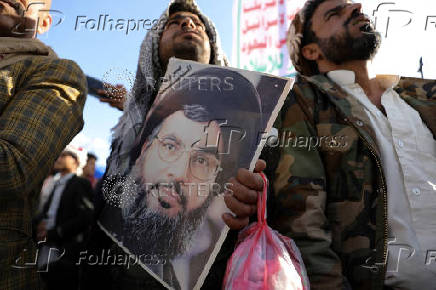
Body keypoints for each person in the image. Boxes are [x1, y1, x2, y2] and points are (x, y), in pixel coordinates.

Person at [82, 1, 266, 289]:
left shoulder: (252, 128)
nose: (189, 25)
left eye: (203, 160)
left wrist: (253, 202)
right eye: (169, 146)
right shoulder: (132, 119)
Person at [266, 0, 436, 289]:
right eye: (335, 13)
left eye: (352, 5)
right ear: (311, 50)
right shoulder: (304, 103)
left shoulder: (425, 95)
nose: (356, 7)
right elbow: (303, 220)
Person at [113, 67, 263, 289]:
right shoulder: (104, 217)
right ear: (144, 151)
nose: (180, 174)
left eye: (202, 161)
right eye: (170, 146)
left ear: (219, 183)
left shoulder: (231, 258)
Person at [0, 0, 87, 289]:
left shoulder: (54, 71)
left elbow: (10, 172)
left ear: (45, 23)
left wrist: (55, 230)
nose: (60, 158)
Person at [34, 149, 94, 290]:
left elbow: (85, 217)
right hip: (47, 246)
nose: (58, 158)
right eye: (58, 155)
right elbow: (48, 212)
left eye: (64, 155)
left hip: (66, 252)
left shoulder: (80, 183)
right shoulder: (57, 183)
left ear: (75, 161)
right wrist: (39, 224)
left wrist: (55, 233)